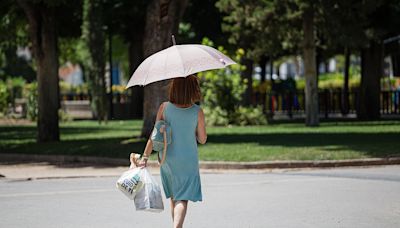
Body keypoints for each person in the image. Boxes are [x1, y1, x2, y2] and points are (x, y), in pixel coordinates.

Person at [131, 75, 207, 228]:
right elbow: (203, 139)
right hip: (188, 160)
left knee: (174, 196)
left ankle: (176, 225)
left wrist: (145, 156)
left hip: (168, 158)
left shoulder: (164, 107)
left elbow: (154, 135)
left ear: (174, 88)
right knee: (182, 198)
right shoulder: (197, 111)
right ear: (193, 90)